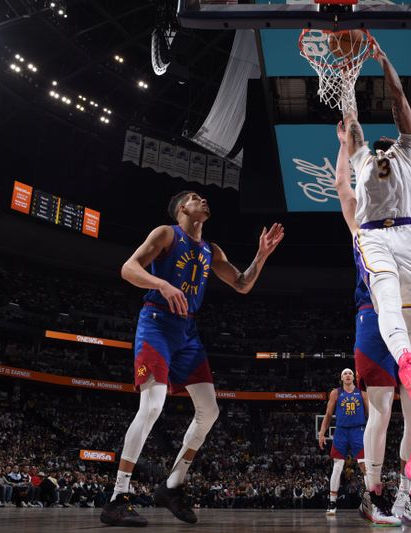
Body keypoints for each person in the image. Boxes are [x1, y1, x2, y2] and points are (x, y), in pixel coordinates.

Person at [100, 191, 284, 527]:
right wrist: (163, 285)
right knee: (152, 404)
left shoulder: (210, 250)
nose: (204, 201)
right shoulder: (166, 233)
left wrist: (261, 255)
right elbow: (128, 268)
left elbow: (242, 284)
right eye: (196, 198)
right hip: (156, 323)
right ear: (182, 208)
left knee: (210, 410)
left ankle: (172, 486)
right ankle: (118, 497)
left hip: (187, 333)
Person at [334, 113, 411, 527]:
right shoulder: (363, 224)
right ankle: (373, 496)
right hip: (372, 318)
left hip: (409, 318)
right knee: (381, 410)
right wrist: (345, 145)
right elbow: (342, 189)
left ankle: (407, 497)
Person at [339, 37, 411, 488]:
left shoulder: (410, 150)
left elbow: (400, 102)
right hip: (375, 234)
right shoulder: (363, 156)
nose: (380, 146)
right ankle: (405, 359)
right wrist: (346, 77)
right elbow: (353, 124)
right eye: (374, 145)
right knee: (385, 297)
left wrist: (383, 63)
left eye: (386, 143)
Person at [317, 368, 368, 516]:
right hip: (341, 431)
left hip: (358, 430)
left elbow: (371, 415)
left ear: (354, 377)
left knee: (364, 464)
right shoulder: (336, 393)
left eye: (350, 373)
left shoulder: (362, 393)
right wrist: (321, 433)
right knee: (337, 466)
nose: (347, 375)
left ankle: (373, 499)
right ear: (341, 378)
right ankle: (332, 502)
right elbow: (328, 414)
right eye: (345, 373)